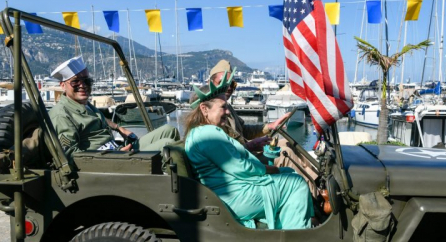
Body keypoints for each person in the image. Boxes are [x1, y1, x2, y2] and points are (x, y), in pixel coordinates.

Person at [184, 73, 313, 230]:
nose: (227, 112)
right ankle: (297, 237)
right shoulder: (208, 134)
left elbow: (229, 157)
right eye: (223, 107)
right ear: (204, 109)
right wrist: (270, 169)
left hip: (231, 191)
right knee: (297, 184)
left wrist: (255, 151)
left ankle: (285, 229)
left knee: (289, 173)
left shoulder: (202, 132)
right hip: (233, 197)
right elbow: (241, 168)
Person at [209, 60, 317, 188]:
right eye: (222, 82)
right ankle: (312, 193)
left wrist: (270, 126)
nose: (228, 88)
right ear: (211, 83)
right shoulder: (210, 112)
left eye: (232, 84)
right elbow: (223, 152)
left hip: (246, 152)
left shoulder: (228, 107)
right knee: (284, 153)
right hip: (239, 161)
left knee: (286, 142)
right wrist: (251, 145)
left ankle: (316, 179)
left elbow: (244, 129)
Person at [48, 56, 180, 159]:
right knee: (167, 145)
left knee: (169, 131)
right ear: (63, 85)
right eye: (75, 81)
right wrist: (114, 156)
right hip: (107, 161)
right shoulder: (61, 115)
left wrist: (118, 128)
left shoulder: (85, 105)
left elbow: (98, 119)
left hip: (117, 151)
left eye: (86, 80)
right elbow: (70, 156)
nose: (82, 85)